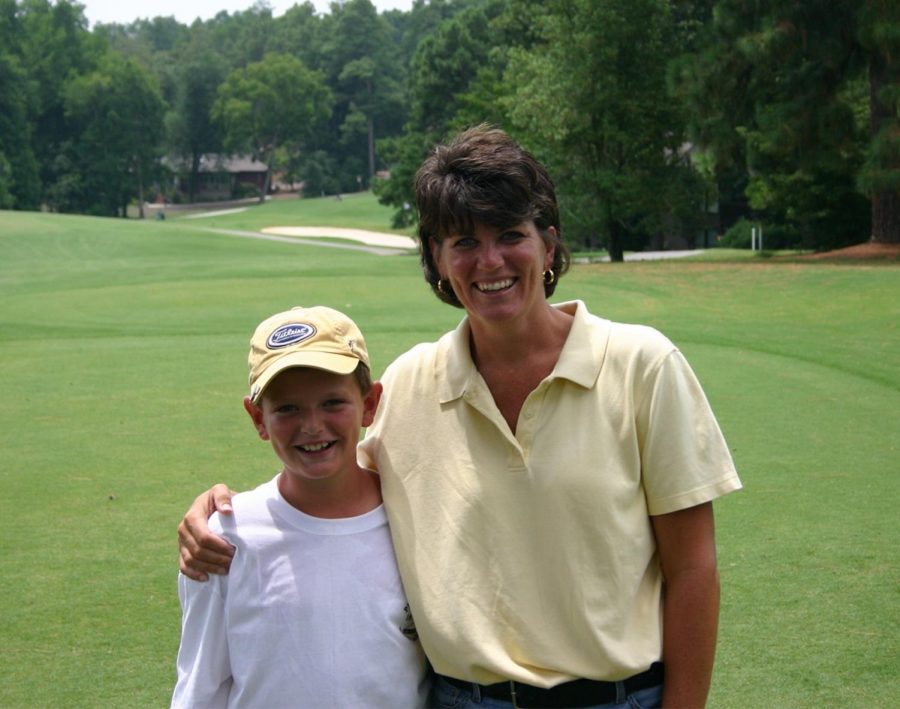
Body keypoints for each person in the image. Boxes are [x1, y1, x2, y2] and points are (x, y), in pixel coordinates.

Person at [178, 126, 742, 708]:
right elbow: (334, 483)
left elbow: (694, 570)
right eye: (464, 242)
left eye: (510, 234)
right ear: (437, 261)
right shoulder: (408, 386)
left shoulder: (643, 366)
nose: (490, 260)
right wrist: (221, 515)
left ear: (548, 246)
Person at [172, 306, 430, 708]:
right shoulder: (223, 539)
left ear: (369, 403)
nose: (312, 425)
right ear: (258, 418)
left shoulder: (417, 519)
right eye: (287, 408)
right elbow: (200, 684)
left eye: (332, 403)